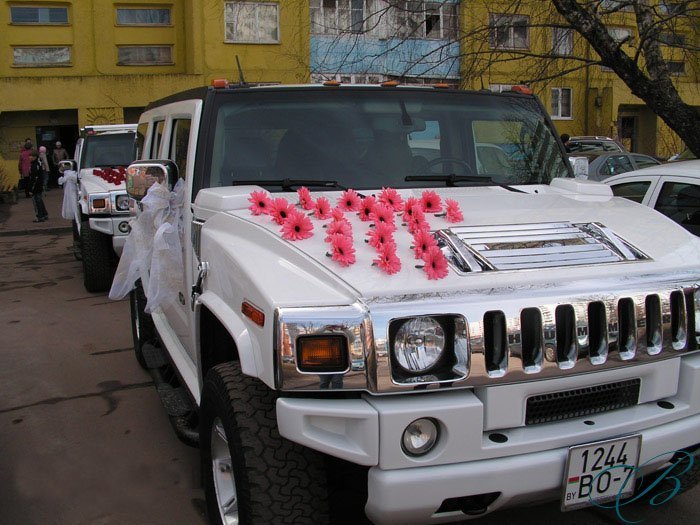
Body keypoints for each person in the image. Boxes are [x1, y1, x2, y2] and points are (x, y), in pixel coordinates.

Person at [28, 150, 49, 222]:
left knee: (36, 202)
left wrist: (31, 188)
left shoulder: (34, 165)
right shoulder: (38, 163)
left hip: (35, 186)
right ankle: (44, 214)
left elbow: (33, 178)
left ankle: (39, 216)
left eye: (31, 156)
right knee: (40, 200)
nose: (29, 157)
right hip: (39, 185)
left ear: (34, 157)